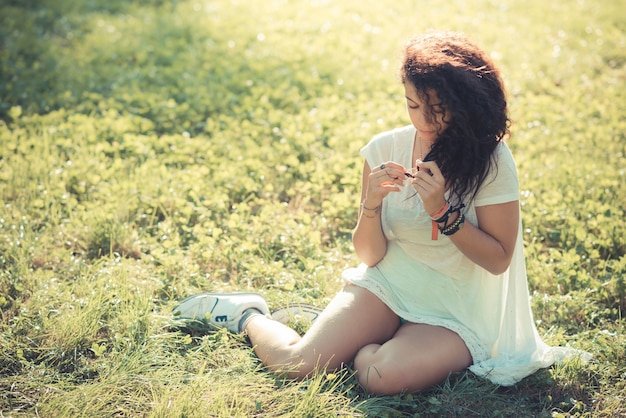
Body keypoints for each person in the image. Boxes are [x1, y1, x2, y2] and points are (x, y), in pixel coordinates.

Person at [173, 31, 588, 395]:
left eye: (438, 109)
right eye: (412, 106)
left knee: (376, 374)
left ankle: (363, 337)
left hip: (457, 309)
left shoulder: (492, 159)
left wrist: (442, 211)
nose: (424, 122)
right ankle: (247, 314)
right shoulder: (384, 149)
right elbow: (370, 256)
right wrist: (371, 204)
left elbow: (498, 260)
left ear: (466, 106)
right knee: (297, 365)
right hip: (390, 285)